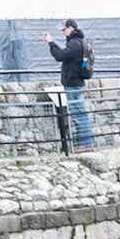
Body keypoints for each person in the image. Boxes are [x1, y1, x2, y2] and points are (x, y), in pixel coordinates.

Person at [43, 20, 93, 150]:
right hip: (77, 83)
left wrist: (51, 43)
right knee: (79, 112)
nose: (63, 32)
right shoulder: (80, 42)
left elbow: (60, 56)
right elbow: (65, 55)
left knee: (79, 113)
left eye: (64, 29)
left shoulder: (75, 43)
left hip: (74, 84)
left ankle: (86, 144)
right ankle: (84, 143)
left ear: (70, 28)